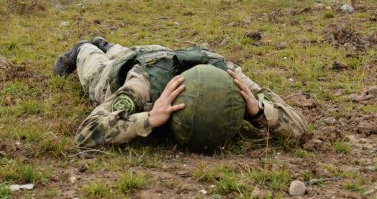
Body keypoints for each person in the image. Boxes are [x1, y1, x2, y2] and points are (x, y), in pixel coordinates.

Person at [54, 38, 308, 149]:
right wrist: (148, 119)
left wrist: (259, 111)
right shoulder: (143, 86)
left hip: (162, 54)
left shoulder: (231, 77)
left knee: (130, 52)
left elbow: (300, 126)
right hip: (137, 67)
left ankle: (109, 45)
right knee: (97, 68)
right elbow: (87, 132)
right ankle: (88, 47)